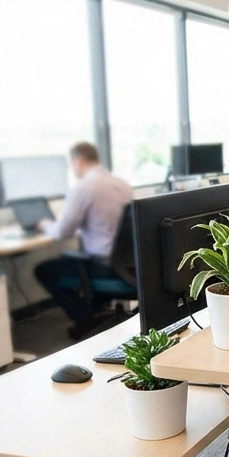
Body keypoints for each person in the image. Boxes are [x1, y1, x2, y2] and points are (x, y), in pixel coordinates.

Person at [34, 142, 134, 339]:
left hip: (104, 267)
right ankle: (97, 315)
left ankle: (87, 320)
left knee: (44, 271)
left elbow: (61, 232)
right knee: (73, 260)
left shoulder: (83, 187)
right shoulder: (122, 184)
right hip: (129, 265)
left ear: (78, 162)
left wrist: (45, 225)